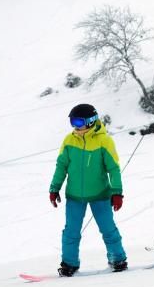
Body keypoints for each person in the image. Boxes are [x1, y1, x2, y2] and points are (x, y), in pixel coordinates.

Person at [49, 104, 127, 276]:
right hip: (75, 196)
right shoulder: (69, 141)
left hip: (100, 195)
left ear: (91, 121)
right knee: (71, 232)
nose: (75, 126)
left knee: (108, 229)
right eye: (72, 122)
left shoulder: (104, 141)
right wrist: (54, 188)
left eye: (78, 121)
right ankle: (69, 264)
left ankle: (117, 259)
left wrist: (116, 192)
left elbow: (113, 169)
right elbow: (61, 166)